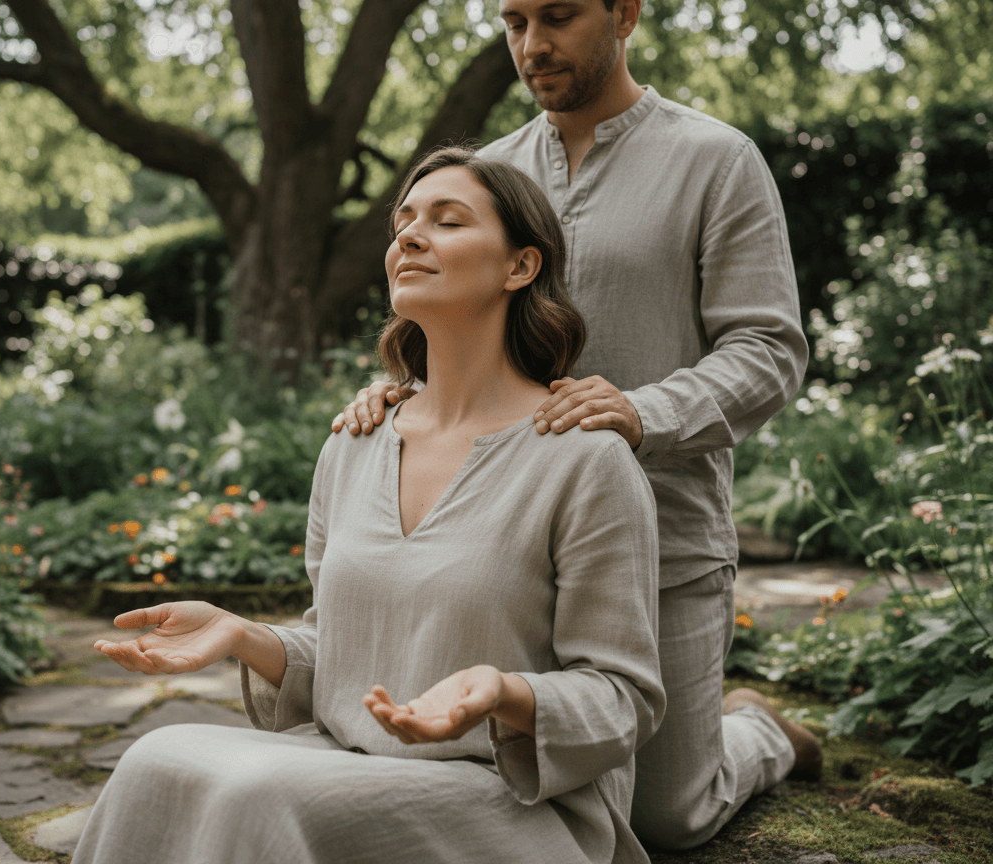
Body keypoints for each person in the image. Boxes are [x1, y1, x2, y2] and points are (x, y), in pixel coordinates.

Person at [73, 147, 665, 864]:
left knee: (257, 799)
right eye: (403, 222)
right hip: (349, 762)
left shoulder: (584, 459)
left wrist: (505, 693)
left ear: (521, 267)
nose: (409, 237)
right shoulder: (354, 444)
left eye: (447, 222)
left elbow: (623, 697)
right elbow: (345, 654)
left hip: (504, 800)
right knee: (155, 760)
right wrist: (242, 635)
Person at [333, 0, 819, 851]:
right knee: (477, 771)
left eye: (556, 16)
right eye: (513, 22)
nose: (533, 46)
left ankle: (759, 735)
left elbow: (769, 349)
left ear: (625, 13)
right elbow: (450, 323)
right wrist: (396, 390)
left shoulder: (717, 160)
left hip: (664, 536)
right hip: (493, 553)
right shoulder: (489, 173)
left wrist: (642, 412)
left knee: (666, 818)